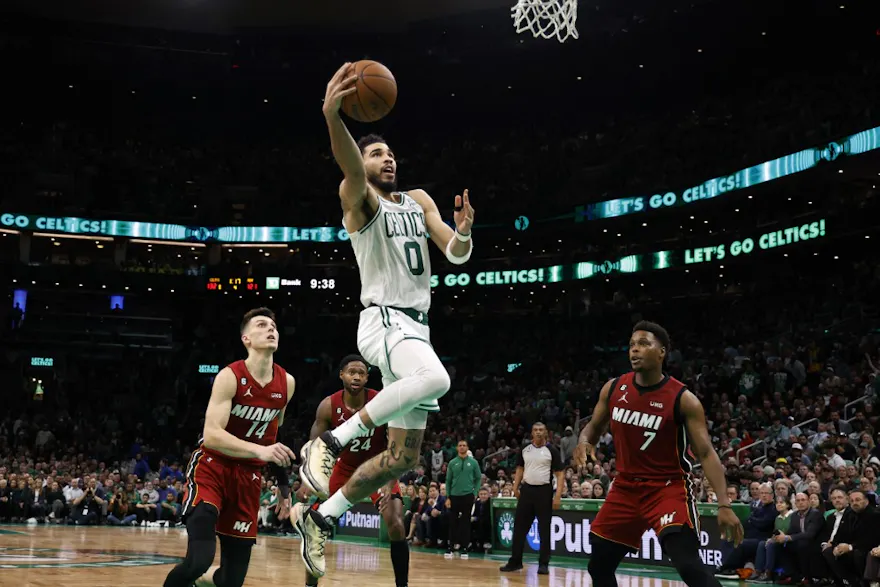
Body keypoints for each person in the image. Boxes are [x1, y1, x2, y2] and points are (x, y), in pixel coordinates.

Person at [293, 62, 476, 580]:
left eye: (390, 152)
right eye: (376, 152)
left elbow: (455, 254)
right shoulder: (360, 200)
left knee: (400, 459)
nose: (386, 157)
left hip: (416, 328)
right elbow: (350, 167)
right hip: (384, 322)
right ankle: (330, 443)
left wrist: (462, 233)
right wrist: (334, 117)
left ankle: (321, 518)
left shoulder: (418, 201)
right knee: (437, 377)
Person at [573, 321, 744, 587]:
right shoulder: (614, 388)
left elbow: (707, 454)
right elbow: (592, 428)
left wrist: (724, 504)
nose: (635, 351)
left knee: (689, 566)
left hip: (667, 488)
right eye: (631, 345)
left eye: (644, 344)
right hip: (625, 487)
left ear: (662, 352)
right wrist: (583, 441)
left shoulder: (683, 398)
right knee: (599, 566)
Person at [163, 307, 296, 587]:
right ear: (246, 338)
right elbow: (211, 435)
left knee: (231, 580)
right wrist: (259, 451)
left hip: (248, 478)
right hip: (213, 468)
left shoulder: (287, 383)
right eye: (261, 325)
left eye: (273, 326)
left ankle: (202, 583)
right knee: (198, 560)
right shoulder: (230, 376)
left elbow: (272, 435)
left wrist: (284, 490)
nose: (271, 329)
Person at [299, 355, 409, 587]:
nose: (357, 376)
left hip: (379, 467)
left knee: (397, 525)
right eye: (352, 372)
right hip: (345, 468)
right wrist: (306, 482)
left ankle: (403, 585)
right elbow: (314, 447)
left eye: (361, 372)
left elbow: (396, 445)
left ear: (368, 377)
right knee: (315, 527)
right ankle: (310, 585)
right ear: (342, 375)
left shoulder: (380, 401)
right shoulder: (328, 405)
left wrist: (390, 482)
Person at [500, 422, 564, 575]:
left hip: (544, 491)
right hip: (527, 490)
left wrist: (558, 496)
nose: (538, 432)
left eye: (541, 430)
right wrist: (515, 487)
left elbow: (560, 474)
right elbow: (520, 469)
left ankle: (543, 564)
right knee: (519, 528)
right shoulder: (525, 449)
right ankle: (515, 562)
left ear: (546, 432)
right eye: (536, 430)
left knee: (544, 529)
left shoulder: (552, 450)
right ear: (532, 433)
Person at [445, 440, 482, 559]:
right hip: (454, 495)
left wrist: (475, 493)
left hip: (467, 495)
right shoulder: (452, 463)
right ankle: (450, 547)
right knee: (453, 522)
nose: (462, 447)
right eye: (460, 445)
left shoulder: (474, 462)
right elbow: (448, 481)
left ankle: (465, 549)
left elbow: (478, 479)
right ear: (457, 448)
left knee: (466, 522)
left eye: (464, 445)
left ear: (467, 447)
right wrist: (448, 497)